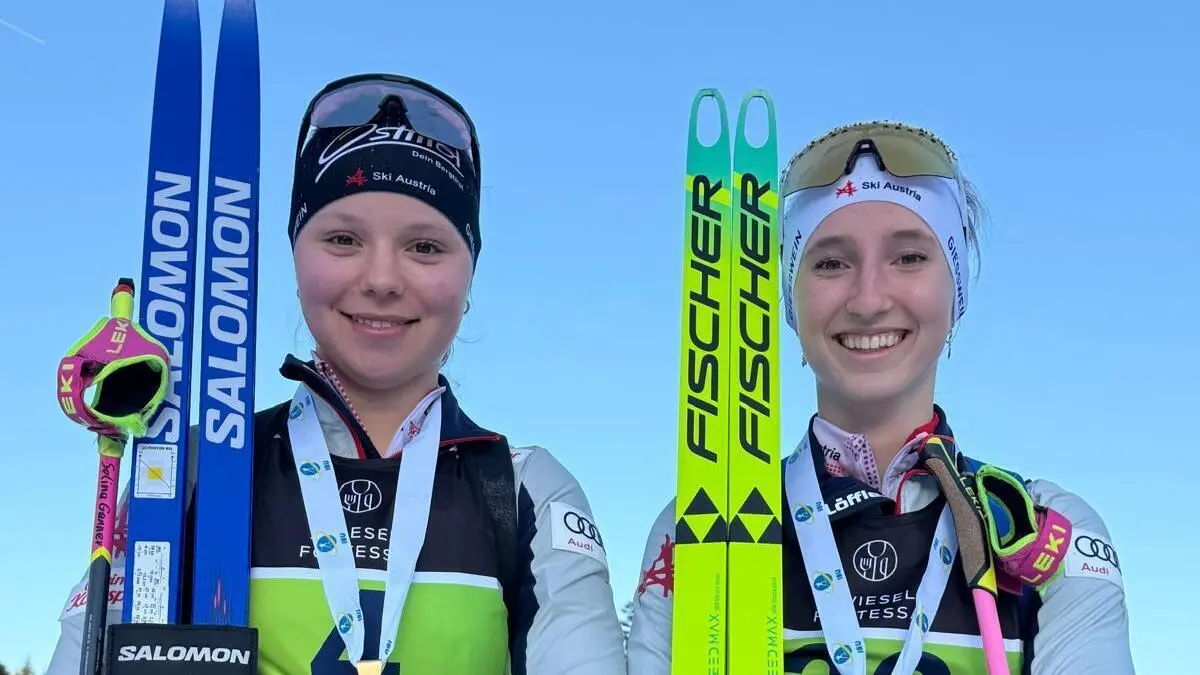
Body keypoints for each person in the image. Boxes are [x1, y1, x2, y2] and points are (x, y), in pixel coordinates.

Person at [46, 73, 627, 675]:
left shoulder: (527, 490)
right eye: (344, 239)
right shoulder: (195, 468)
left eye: (426, 247)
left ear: (469, 272)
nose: (381, 279)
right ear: (296, 257)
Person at [626, 121, 1135, 674]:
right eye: (830, 263)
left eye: (909, 257)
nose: (868, 300)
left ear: (955, 293)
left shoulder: (1042, 527)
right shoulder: (704, 525)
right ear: (792, 306)